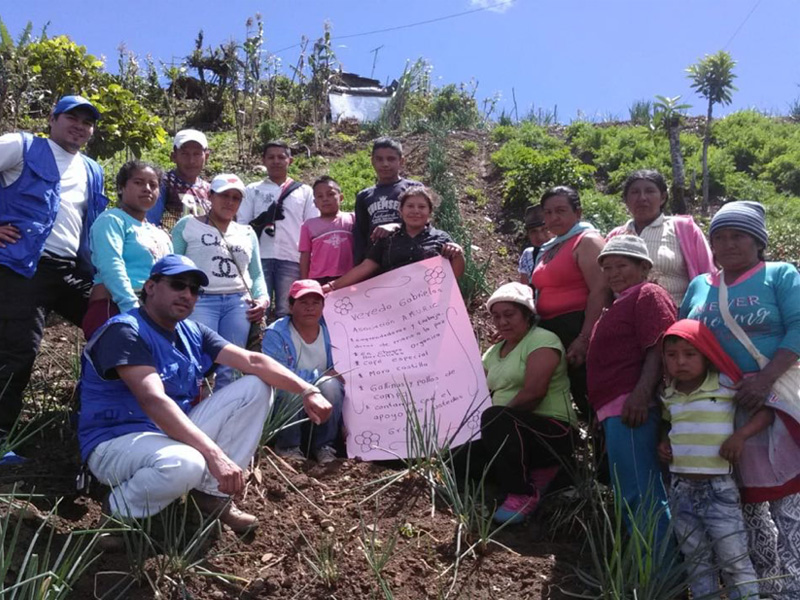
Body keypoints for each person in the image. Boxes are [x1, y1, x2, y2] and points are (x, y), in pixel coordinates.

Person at [79, 255, 332, 532]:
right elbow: (153, 400)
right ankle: (117, 514)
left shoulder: (192, 331)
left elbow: (253, 362)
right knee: (186, 463)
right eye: (178, 285)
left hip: (168, 434)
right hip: (117, 442)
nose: (187, 295)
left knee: (255, 385)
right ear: (150, 287)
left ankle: (210, 495)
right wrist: (215, 455)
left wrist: (308, 390)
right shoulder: (126, 331)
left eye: (194, 290)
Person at [680, 200, 800, 597]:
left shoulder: (779, 275)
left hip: (779, 396)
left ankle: (794, 584)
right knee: (746, 498)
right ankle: (767, 584)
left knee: (789, 499)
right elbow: (683, 336)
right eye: (718, 237)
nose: (727, 244)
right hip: (725, 406)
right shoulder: (701, 285)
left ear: (758, 241)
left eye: (738, 236)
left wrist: (764, 379)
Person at [0, 95, 108, 454]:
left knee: (113, 326)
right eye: (71, 118)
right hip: (22, 266)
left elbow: (91, 223)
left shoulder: (92, 169)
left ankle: (94, 418)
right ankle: (2, 437)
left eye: (87, 121)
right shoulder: (22, 146)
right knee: (18, 353)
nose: (79, 126)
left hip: (70, 271)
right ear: (52, 118)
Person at [658, 320, 764, 600]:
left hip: (719, 489)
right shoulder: (670, 394)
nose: (680, 362)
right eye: (671, 355)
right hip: (681, 489)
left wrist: (740, 436)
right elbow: (672, 425)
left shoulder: (726, 385)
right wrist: (665, 443)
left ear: (706, 354)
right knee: (696, 561)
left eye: (690, 354)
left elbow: (766, 412)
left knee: (734, 559)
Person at [586, 235, 675, 545]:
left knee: (641, 491)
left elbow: (658, 346)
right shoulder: (618, 303)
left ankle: (662, 578)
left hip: (632, 407)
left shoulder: (647, 294)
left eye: (621, 265)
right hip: (615, 410)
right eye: (607, 267)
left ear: (643, 266)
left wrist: (641, 394)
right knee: (629, 489)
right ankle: (643, 570)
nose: (613, 273)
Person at [481, 282, 577, 524]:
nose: (502, 322)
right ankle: (539, 474)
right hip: (511, 432)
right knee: (461, 455)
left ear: (527, 314)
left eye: (509, 314)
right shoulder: (492, 353)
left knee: (495, 419)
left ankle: (523, 493)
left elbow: (534, 393)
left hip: (553, 431)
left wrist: (493, 426)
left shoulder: (543, 340)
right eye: (496, 317)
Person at [172, 174, 268, 389]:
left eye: (236, 198)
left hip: (238, 303)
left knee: (231, 369)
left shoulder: (247, 232)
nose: (230, 202)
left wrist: (263, 299)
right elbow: (173, 266)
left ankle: (226, 417)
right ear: (210, 196)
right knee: (197, 362)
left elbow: (257, 274)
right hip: (200, 301)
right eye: (224, 195)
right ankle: (193, 416)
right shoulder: (187, 225)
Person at [530, 186, 609, 417]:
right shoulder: (550, 247)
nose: (553, 218)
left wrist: (584, 338)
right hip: (552, 329)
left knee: (589, 391)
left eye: (561, 210)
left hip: (578, 325)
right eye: (548, 212)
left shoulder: (587, 241)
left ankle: (604, 449)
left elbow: (600, 290)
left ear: (578, 212)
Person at [83, 160, 173, 339]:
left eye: (153, 185)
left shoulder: (160, 234)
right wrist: (132, 308)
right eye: (138, 182)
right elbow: (111, 265)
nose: (147, 188)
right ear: (121, 188)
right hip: (115, 307)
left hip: (155, 313)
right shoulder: (112, 220)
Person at [321, 186, 465, 293]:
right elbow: (366, 267)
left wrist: (458, 254)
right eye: (410, 206)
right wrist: (333, 286)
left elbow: (455, 275)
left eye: (421, 207)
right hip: (392, 306)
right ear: (400, 211)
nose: (415, 211)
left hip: (428, 308)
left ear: (430, 212)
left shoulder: (441, 238)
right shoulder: (387, 238)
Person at [262, 280, 343, 464]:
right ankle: (288, 447)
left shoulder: (334, 330)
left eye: (315, 303)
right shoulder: (276, 333)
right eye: (303, 303)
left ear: (323, 306)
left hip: (323, 402)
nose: (310, 308)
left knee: (332, 385)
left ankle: (324, 446)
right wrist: (318, 377)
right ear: (291, 306)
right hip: (290, 401)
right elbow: (279, 373)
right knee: (291, 386)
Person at [607, 169, 713, 306]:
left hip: (678, 314)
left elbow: (708, 276)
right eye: (635, 192)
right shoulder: (615, 236)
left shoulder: (684, 229)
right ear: (626, 200)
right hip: (625, 316)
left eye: (650, 191)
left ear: (663, 197)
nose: (642, 198)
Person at [237, 141, 318, 318]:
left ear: (290, 160)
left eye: (281, 157)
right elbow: (242, 224)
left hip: (292, 256)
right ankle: (256, 344)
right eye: (271, 157)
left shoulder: (305, 191)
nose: (276, 161)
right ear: (263, 160)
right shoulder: (252, 190)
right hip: (259, 258)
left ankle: (284, 345)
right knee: (258, 308)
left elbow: (312, 226)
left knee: (287, 309)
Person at [352, 137, 421, 263]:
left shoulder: (413, 188)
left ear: (401, 161)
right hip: (375, 262)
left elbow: (425, 224)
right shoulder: (364, 196)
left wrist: (396, 226)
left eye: (391, 159)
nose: (385, 164)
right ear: (372, 161)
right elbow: (360, 235)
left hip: (409, 258)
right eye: (379, 159)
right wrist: (359, 265)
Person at [146, 129, 211, 231]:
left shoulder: (209, 190)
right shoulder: (162, 183)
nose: (191, 161)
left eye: (197, 154)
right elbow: (149, 224)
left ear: (206, 156)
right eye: (185, 154)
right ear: (174, 156)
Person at [299, 176, 355, 285]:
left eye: (330, 194)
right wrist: (305, 282)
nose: (325, 199)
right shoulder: (308, 225)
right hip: (318, 278)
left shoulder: (352, 219)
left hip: (348, 277)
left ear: (341, 197)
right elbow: (305, 256)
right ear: (315, 203)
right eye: (320, 196)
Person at [518, 205, 553, 284]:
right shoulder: (528, 255)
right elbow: (525, 289)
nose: (540, 236)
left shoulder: (567, 251)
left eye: (545, 229)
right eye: (533, 231)